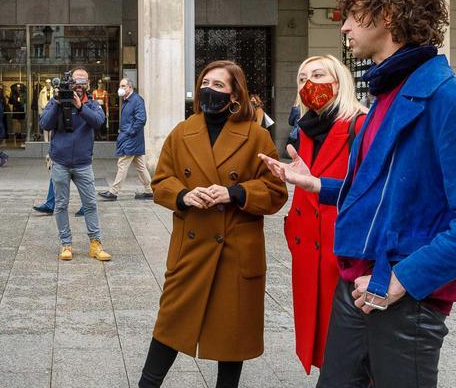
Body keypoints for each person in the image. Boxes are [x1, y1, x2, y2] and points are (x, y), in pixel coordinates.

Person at [259, 0, 456, 387]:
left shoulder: (452, 100)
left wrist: (401, 279)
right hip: (355, 289)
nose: (344, 27)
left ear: (389, 14)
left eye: (353, 13)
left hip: (405, 300)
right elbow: (383, 196)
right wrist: (316, 185)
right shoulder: (383, 98)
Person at [140, 60, 288, 387]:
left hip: (235, 251)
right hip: (190, 249)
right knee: (170, 323)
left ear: (236, 94)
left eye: (219, 85)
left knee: (230, 336)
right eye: (205, 83)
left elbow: (276, 193)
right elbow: (161, 181)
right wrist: (183, 196)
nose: (209, 90)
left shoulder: (256, 136)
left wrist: (233, 192)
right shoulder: (182, 132)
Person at [283, 54, 368, 374]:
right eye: (302, 79)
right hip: (309, 253)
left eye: (318, 75)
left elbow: (370, 189)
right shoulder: (305, 130)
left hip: (343, 253)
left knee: (353, 353)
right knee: (324, 345)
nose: (309, 84)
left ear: (339, 81)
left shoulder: (359, 125)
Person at [39, 68, 112, 261]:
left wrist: (80, 107)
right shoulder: (56, 101)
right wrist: (57, 102)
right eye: (75, 83)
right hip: (60, 162)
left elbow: (98, 122)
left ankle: (95, 244)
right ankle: (66, 244)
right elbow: (45, 124)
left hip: (83, 163)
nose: (78, 87)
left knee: (90, 204)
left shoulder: (92, 104)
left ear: (88, 84)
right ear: (70, 84)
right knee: (61, 204)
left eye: (82, 83)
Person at [99, 77, 152, 201]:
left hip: (131, 138)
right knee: (140, 166)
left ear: (130, 87)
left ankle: (114, 191)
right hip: (131, 138)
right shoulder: (127, 100)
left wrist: (130, 132)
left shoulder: (136, 100)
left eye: (123, 86)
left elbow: (141, 119)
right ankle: (150, 190)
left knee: (122, 163)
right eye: (120, 86)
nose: (120, 88)